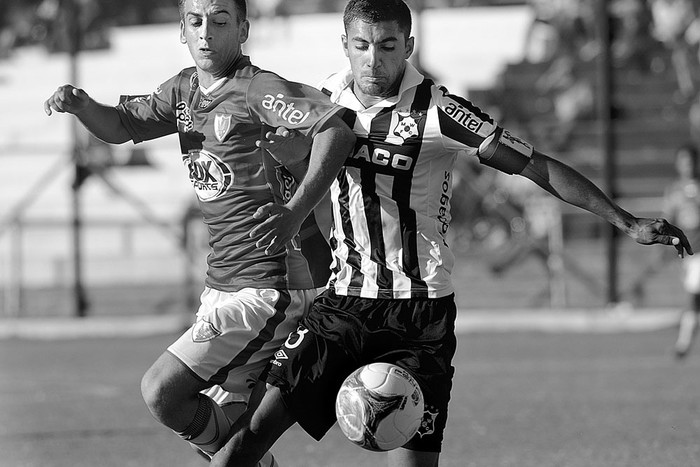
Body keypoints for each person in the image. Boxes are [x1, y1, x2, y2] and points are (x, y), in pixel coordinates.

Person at [210, 1, 693, 466]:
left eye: (387, 46)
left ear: (409, 46)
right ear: (344, 44)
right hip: (343, 305)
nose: (373, 60)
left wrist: (626, 221)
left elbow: (535, 166)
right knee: (244, 444)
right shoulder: (323, 100)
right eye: (361, 46)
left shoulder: (439, 112)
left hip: (422, 317)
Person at [43, 0, 355, 463]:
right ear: (182, 30)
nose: (206, 32)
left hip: (269, 286)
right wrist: (83, 106)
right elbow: (121, 125)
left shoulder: (257, 90)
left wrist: (294, 209)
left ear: (243, 29)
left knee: (161, 391)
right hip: (221, 285)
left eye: (220, 21)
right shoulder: (183, 91)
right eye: (196, 21)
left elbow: (336, 129)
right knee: (220, 437)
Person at [663, 144, 700, 358]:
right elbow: (669, 218)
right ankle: (683, 344)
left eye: (691, 161)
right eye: (684, 161)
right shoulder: (673, 190)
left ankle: (683, 344)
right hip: (689, 252)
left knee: (692, 298)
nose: (688, 165)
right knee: (693, 299)